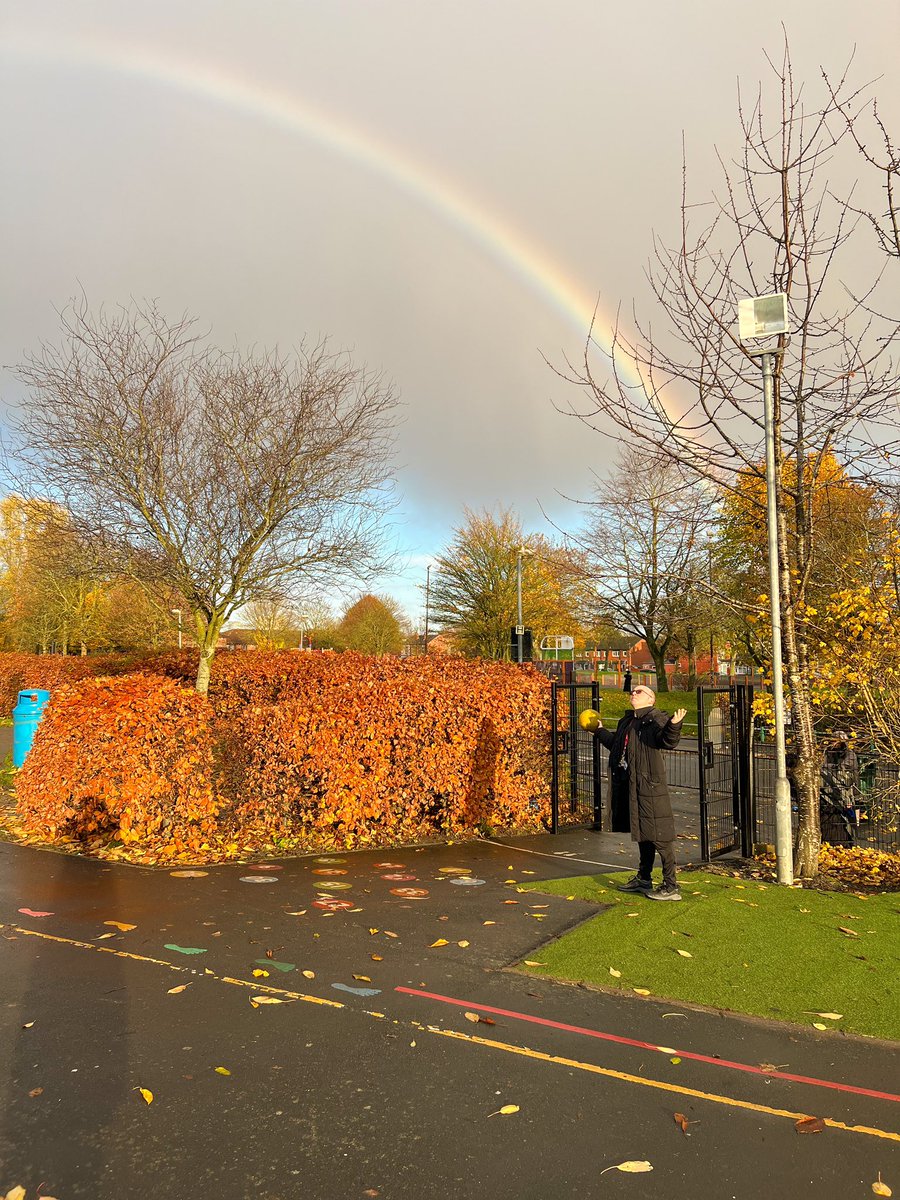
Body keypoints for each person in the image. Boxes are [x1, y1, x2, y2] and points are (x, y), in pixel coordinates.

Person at [594, 684, 687, 900]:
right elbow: (617, 746)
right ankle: (644, 879)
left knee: (660, 836)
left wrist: (674, 726)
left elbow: (667, 741)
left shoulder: (655, 718)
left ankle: (671, 886)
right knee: (643, 834)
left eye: (639, 692)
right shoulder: (628, 721)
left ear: (651, 699)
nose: (633, 694)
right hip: (632, 785)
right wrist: (599, 731)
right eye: (632, 691)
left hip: (651, 787)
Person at [819, 730, 860, 847]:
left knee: (847, 821)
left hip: (843, 793)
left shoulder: (850, 755)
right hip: (827, 793)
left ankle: (847, 843)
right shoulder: (827, 753)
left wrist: (827, 770)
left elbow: (846, 775)